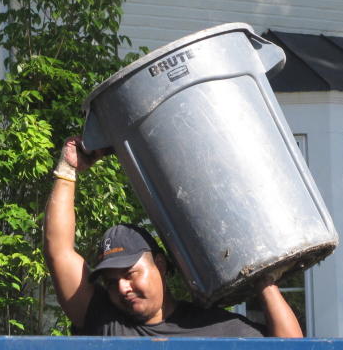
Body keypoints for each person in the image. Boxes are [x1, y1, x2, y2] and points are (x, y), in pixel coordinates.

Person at [44, 137, 303, 338]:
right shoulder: (105, 322)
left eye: (129, 274)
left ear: (159, 264)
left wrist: (263, 281)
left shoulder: (215, 328)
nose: (122, 288)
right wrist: (69, 170)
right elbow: (59, 252)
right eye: (111, 283)